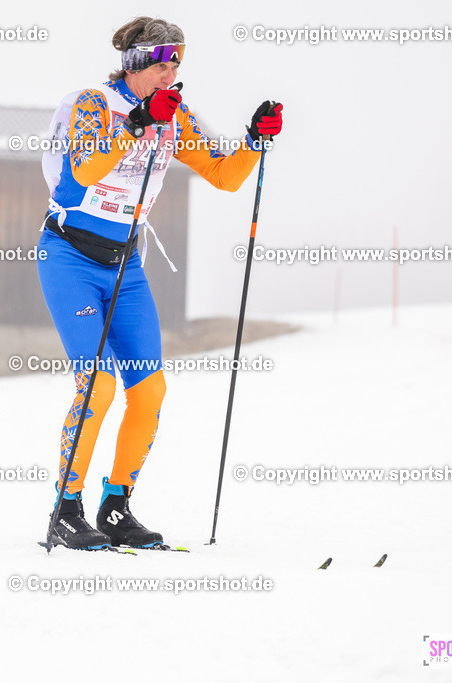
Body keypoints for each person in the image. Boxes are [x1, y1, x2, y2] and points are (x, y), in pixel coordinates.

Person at [37, 16, 283, 549]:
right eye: (162, 64)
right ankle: (66, 508)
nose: (171, 74)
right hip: (70, 258)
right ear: (134, 64)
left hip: (125, 267)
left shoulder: (174, 114)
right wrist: (137, 124)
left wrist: (254, 140)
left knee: (149, 390)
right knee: (98, 384)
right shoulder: (94, 104)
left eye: (177, 65)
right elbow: (82, 172)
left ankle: (115, 506)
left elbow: (224, 175)